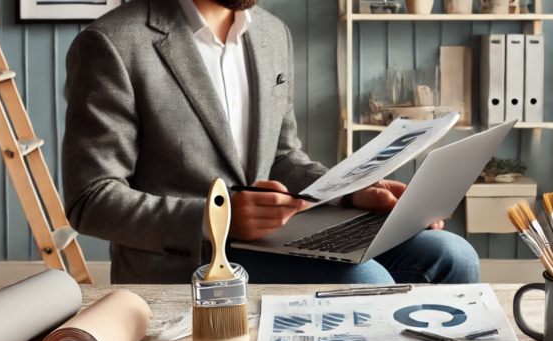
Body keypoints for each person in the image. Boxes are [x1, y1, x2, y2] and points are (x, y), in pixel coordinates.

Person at [62, 0, 479, 284]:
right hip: (186, 260)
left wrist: (353, 193)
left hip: (279, 239)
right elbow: (90, 200)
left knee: (451, 256)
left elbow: (281, 156)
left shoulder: (271, 32)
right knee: (364, 280)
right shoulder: (112, 43)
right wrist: (215, 219)